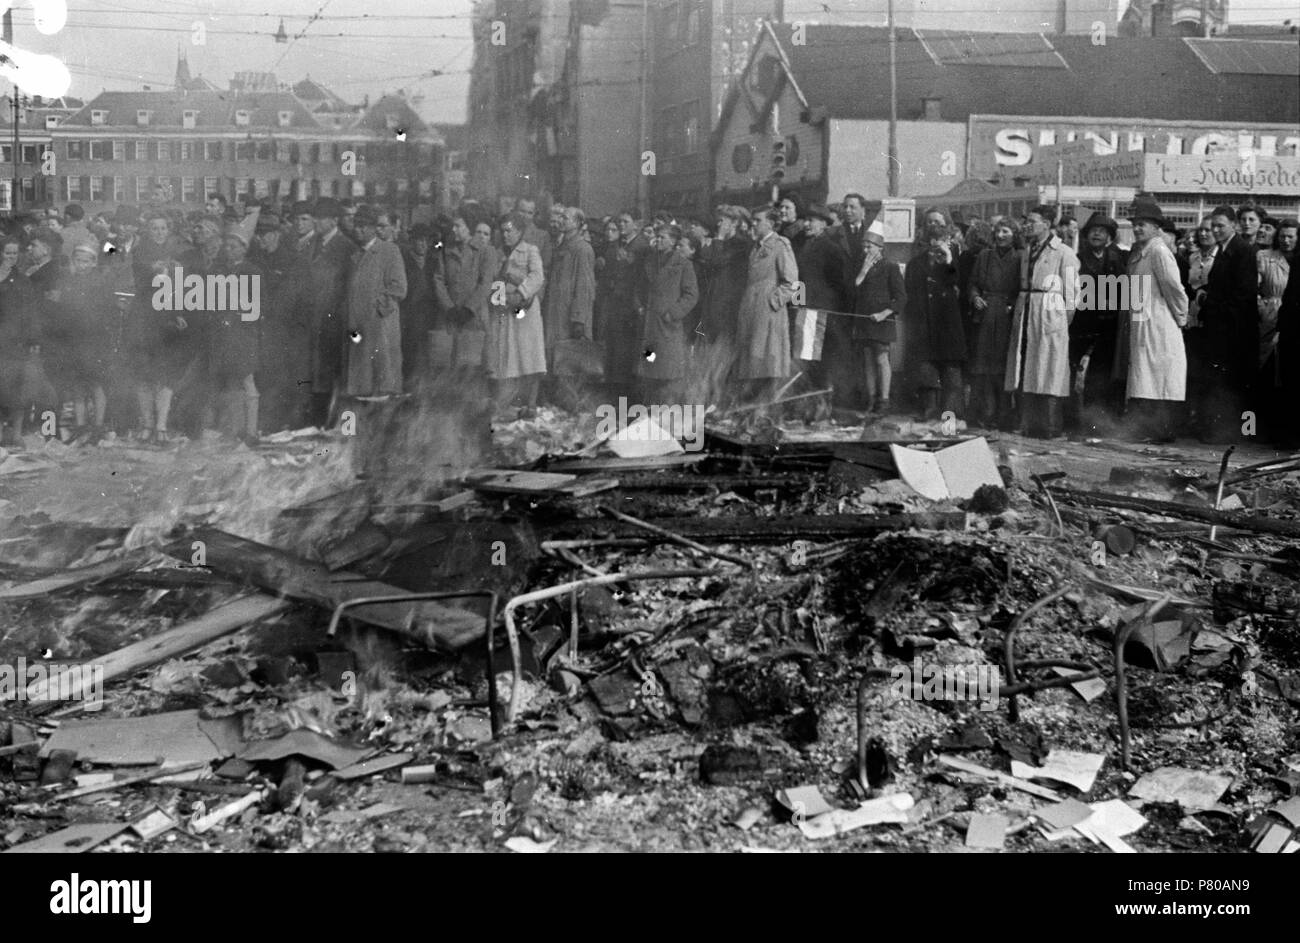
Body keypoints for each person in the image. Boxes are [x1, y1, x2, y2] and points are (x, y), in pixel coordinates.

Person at [1005, 205, 1078, 438]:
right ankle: (1027, 424)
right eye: (1026, 221)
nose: (1027, 225)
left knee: (1050, 369)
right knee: (1026, 365)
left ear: (1047, 224)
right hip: (1027, 309)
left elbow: (1072, 295)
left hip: (1050, 313)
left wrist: (1059, 322)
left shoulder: (1064, 252)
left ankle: (1049, 426)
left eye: (1033, 221)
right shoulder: (1027, 251)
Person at [1124, 198, 1188, 443]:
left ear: (1155, 227)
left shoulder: (1159, 251)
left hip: (1161, 320)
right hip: (1142, 320)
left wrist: (1181, 318)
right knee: (1145, 376)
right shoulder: (1140, 252)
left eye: (1143, 224)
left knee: (1160, 376)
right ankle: (1146, 429)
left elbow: (1174, 288)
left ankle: (1162, 432)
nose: (1138, 228)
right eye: (1136, 224)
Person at [1196, 205, 1258, 442]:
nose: (1216, 230)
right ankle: (1222, 431)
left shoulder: (1243, 251)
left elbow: (1243, 295)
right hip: (1221, 328)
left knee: (1238, 384)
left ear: (1233, 224)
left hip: (1236, 330)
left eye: (1221, 225)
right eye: (1213, 226)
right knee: (1222, 383)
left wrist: (1212, 306)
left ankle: (1245, 433)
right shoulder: (1223, 250)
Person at [906, 208, 967, 421]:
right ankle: (928, 412)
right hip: (925, 323)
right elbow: (911, 292)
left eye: (938, 222)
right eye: (929, 222)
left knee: (951, 371)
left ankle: (951, 416)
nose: (934, 226)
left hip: (948, 322)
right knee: (926, 371)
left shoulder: (959, 255)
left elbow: (957, 282)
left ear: (947, 226)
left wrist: (948, 260)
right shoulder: (916, 262)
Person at [735, 207, 799, 407]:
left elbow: (793, 283)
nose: (753, 223)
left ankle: (767, 407)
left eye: (757, 220)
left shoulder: (780, 245)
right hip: (750, 310)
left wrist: (773, 301)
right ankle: (752, 407)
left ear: (770, 223)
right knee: (751, 361)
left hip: (768, 312)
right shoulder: (755, 248)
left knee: (767, 360)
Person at [1071, 211, 1128, 430]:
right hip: (1083, 323)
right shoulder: (1077, 259)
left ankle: (1102, 420)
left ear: (1110, 237)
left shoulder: (1117, 259)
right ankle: (1078, 419)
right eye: (1093, 231)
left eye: (1102, 231)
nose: (1096, 235)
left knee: (1104, 373)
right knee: (1078, 372)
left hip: (1109, 325)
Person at [486, 212, 546, 414]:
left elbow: (537, 276)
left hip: (525, 311)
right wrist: (499, 301)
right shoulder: (497, 253)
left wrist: (520, 294)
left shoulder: (530, 251)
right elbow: (495, 280)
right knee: (507, 355)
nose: (505, 235)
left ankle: (530, 403)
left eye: (509, 231)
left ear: (520, 231)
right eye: (502, 231)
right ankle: (510, 401)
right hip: (505, 311)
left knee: (529, 355)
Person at [344, 206, 407, 398]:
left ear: (373, 228)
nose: (358, 230)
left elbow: (399, 287)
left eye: (364, 226)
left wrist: (377, 310)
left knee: (383, 376)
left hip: (380, 327)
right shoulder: (355, 255)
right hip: (358, 327)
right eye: (356, 226)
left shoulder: (388, 251)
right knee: (362, 381)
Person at [792, 203, 848, 420]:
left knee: (821, 363)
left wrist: (828, 306)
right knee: (807, 361)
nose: (806, 224)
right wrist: (797, 303)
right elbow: (800, 280)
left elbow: (840, 283)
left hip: (823, 314)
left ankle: (824, 409)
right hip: (806, 312)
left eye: (811, 220)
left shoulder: (832, 249)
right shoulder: (805, 247)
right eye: (805, 220)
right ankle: (811, 408)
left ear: (824, 224)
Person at [209, 224, 264, 442]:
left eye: (234, 246)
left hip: (244, 334)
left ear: (244, 248)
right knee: (230, 381)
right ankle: (234, 428)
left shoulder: (253, 272)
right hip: (222, 335)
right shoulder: (218, 271)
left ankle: (251, 431)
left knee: (247, 379)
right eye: (227, 246)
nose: (229, 250)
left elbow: (258, 307)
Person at [304, 198, 357, 425]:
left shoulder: (346, 248)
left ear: (334, 220)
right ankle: (316, 423)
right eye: (314, 217)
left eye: (321, 217)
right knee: (314, 375)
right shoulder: (311, 244)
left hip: (333, 323)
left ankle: (330, 423)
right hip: (312, 321)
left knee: (331, 376)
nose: (316, 221)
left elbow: (349, 289)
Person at [635, 222, 699, 405]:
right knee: (649, 367)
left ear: (673, 241)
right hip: (648, 326)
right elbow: (638, 288)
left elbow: (691, 294)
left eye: (662, 237)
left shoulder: (683, 264)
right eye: (657, 236)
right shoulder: (649, 261)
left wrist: (673, 314)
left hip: (667, 327)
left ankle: (665, 409)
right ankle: (648, 410)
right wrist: (638, 306)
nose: (658, 240)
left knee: (666, 371)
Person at [967, 218, 1022, 429]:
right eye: (998, 232)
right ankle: (982, 413)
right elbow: (972, 283)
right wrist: (975, 297)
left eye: (1005, 232)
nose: (1000, 236)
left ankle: (1003, 415)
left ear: (1014, 235)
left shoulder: (1019, 258)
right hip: (986, 314)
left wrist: (1013, 304)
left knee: (1002, 367)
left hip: (1006, 316)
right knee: (982, 366)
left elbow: (1022, 288)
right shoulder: (984, 256)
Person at [430, 210, 494, 389]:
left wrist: (468, 309)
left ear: (470, 228)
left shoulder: (485, 252)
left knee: (471, 365)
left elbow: (485, 283)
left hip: (473, 317)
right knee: (444, 363)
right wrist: (448, 308)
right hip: (448, 316)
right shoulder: (445, 250)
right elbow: (438, 279)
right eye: (453, 225)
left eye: (458, 226)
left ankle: (471, 407)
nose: (454, 229)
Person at [853, 219, 905, 417]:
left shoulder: (890, 267)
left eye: (870, 246)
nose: (866, 250)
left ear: (880, 247)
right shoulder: (860, 266)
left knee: (881, 359)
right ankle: (871, 398)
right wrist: (863, 271)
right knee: (867, 359)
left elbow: (901, 297)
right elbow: (853, 290)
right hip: (864, 321)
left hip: (882, 321)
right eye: (864, 246)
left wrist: (884, 313)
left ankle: (884, 400)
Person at [0, 236, 43, 445]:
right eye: (7, 253)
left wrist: (33, 338)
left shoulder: (22, 280)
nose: (11, 257)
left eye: (15, 254)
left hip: (14, 341)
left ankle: (16, 433)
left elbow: (31, 312)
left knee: (16, 388)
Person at [1256, 217, 1296, 440]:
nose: (1286, 240)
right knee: (1267, 370)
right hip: (1270, 317)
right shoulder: (1265, 257)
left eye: (1291, 236)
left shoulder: (1297, 260)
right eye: (1282, 236)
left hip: (1292, 319)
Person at [542, 205, 596, 365]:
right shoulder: (561, 247)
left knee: (570, 366)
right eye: (560, 217)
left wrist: (579, 320)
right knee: (556, 362)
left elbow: (584, 287)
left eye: (565, 218)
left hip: (569, 319)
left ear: (578, 223)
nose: (560, 220)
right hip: (556, 314)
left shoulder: (582, 249)